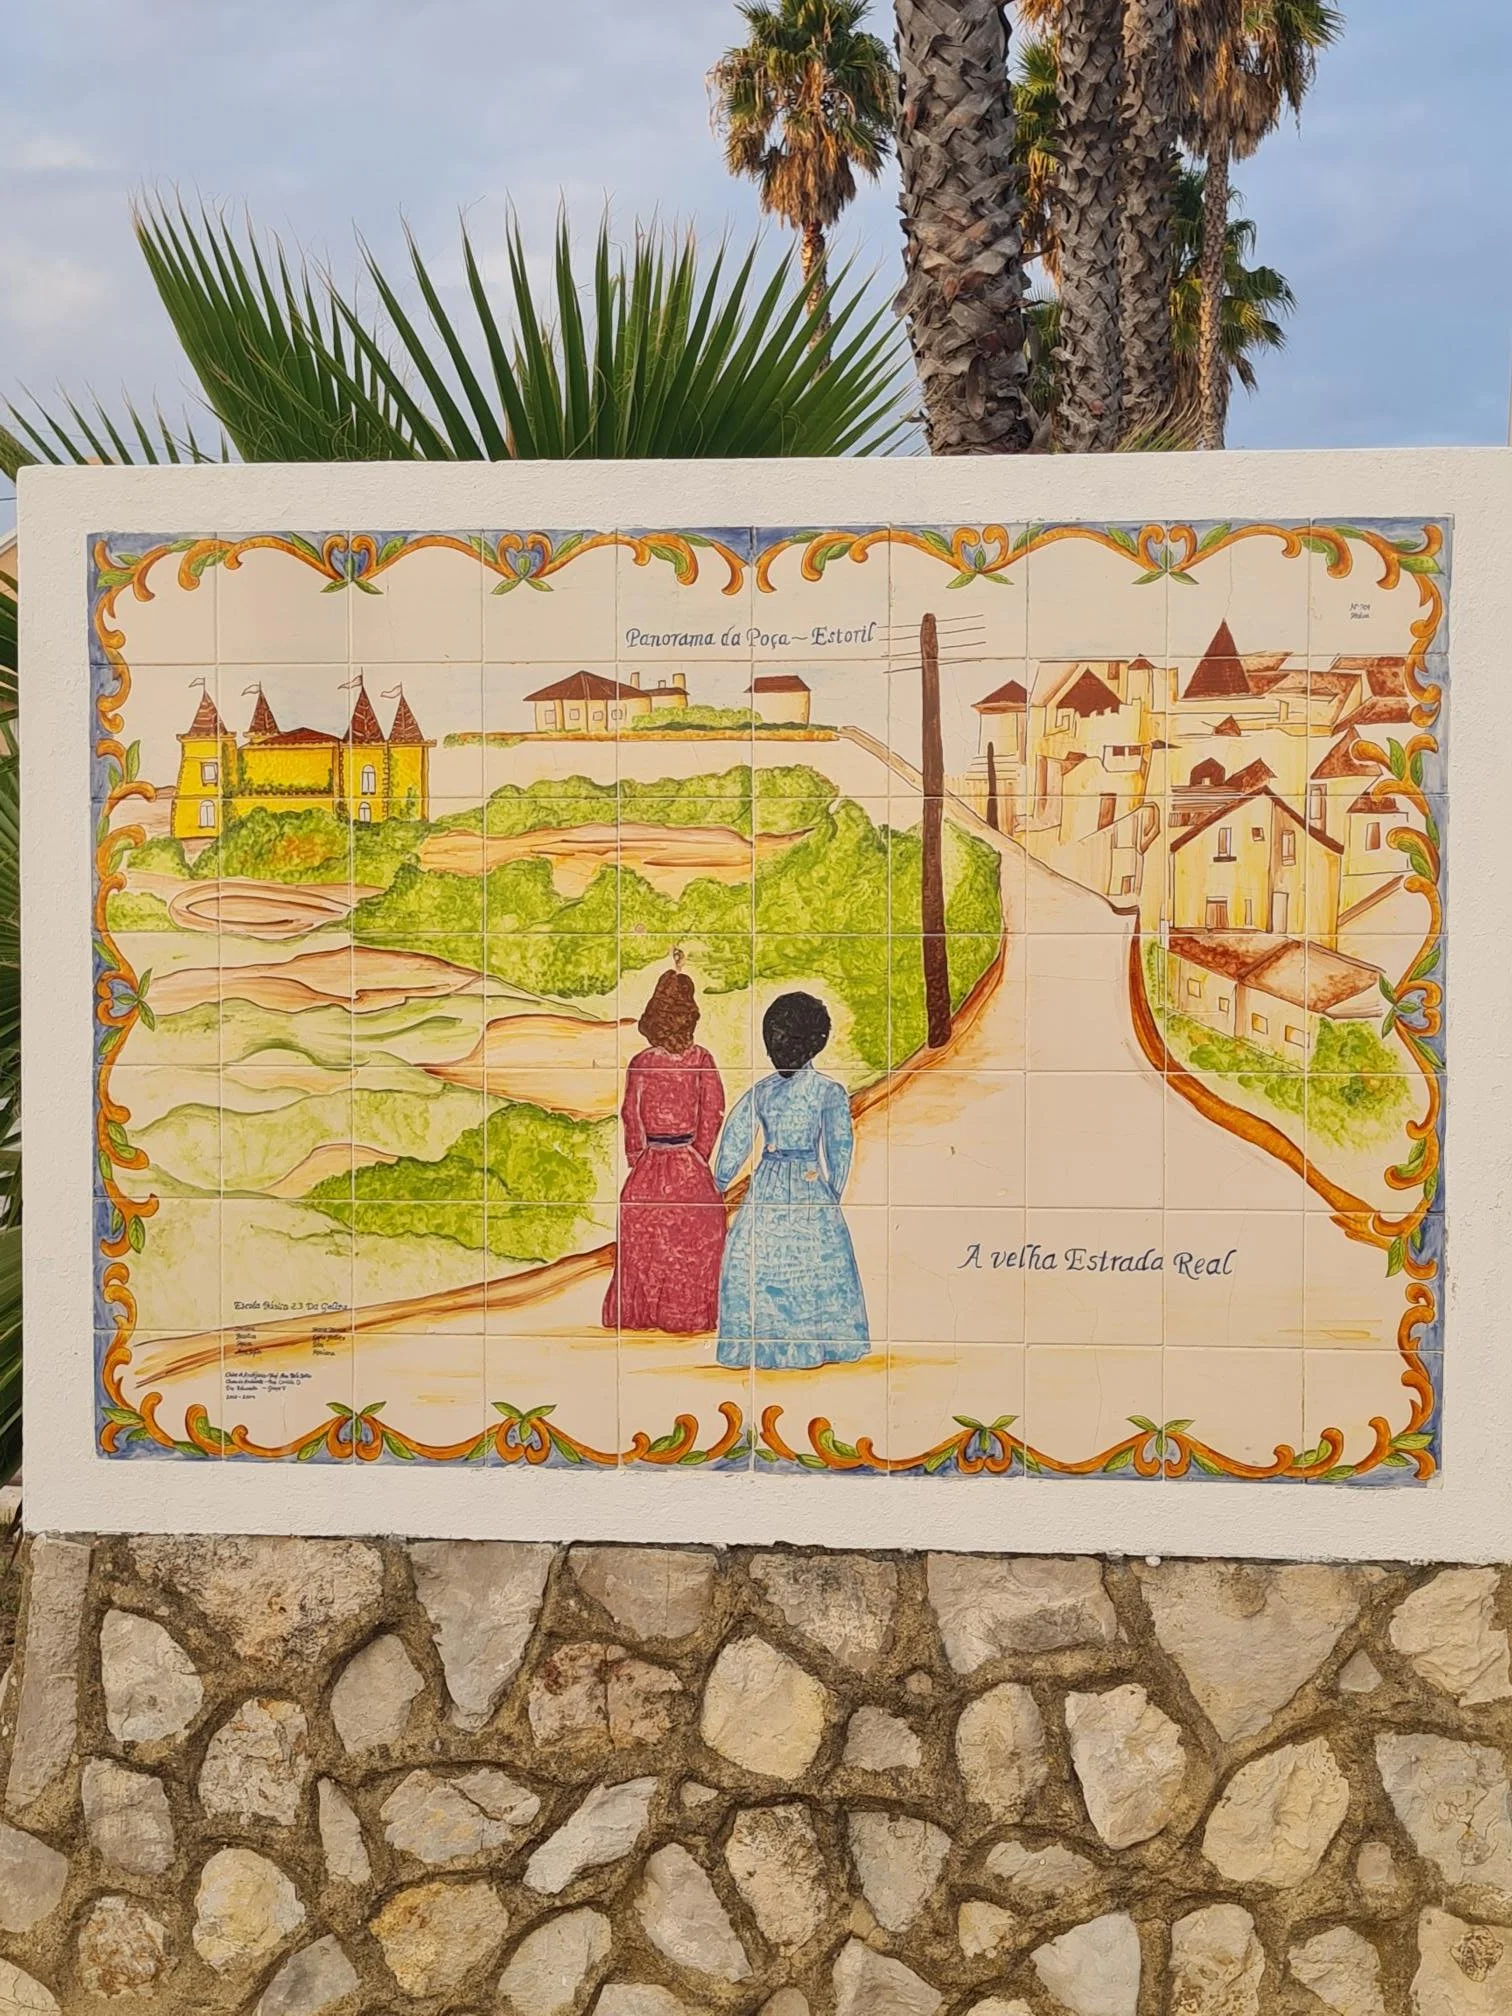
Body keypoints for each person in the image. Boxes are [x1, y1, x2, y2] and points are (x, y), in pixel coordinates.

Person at [713, 991, 869, 1369]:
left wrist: (830, 1195)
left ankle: (808, 1344)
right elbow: (736, 1137)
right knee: (758, 1260)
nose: (776, 1051)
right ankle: (767, 1345)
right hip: (781, 1184)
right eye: (773, 1041)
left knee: (804, 1265)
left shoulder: (828, 1092)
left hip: (803, 1183)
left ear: (810, 1043)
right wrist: (720, 1179)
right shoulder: (764, 1092)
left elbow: (839, 1148)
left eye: (783, 1041)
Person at [602, 963, 727, 1334]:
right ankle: (685, 1314)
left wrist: (639, 1158)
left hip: (652, 1163)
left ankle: (643, 1314)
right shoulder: (701, 1059)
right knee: (691, 1238)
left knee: (650, 1239)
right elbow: (712, 1113)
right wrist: (697, 1156)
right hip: (686, 1161)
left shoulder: (642, 1063)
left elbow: (631, 1116)